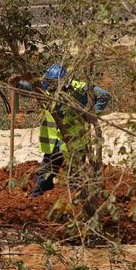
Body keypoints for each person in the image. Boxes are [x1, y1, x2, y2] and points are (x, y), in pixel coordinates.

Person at [16, 64, 111, 197]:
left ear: (64, 82)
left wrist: (91, 113)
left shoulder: (78, 88)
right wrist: (17, 83)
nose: (51, 87)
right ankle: (36, 198)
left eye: (55, 84)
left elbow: (104, 95)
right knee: (46, 174)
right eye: (50, 84)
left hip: (74, 141)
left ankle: (78, 202)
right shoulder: (45, 87)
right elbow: (28, 88)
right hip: (53, 141)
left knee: (75, 177)